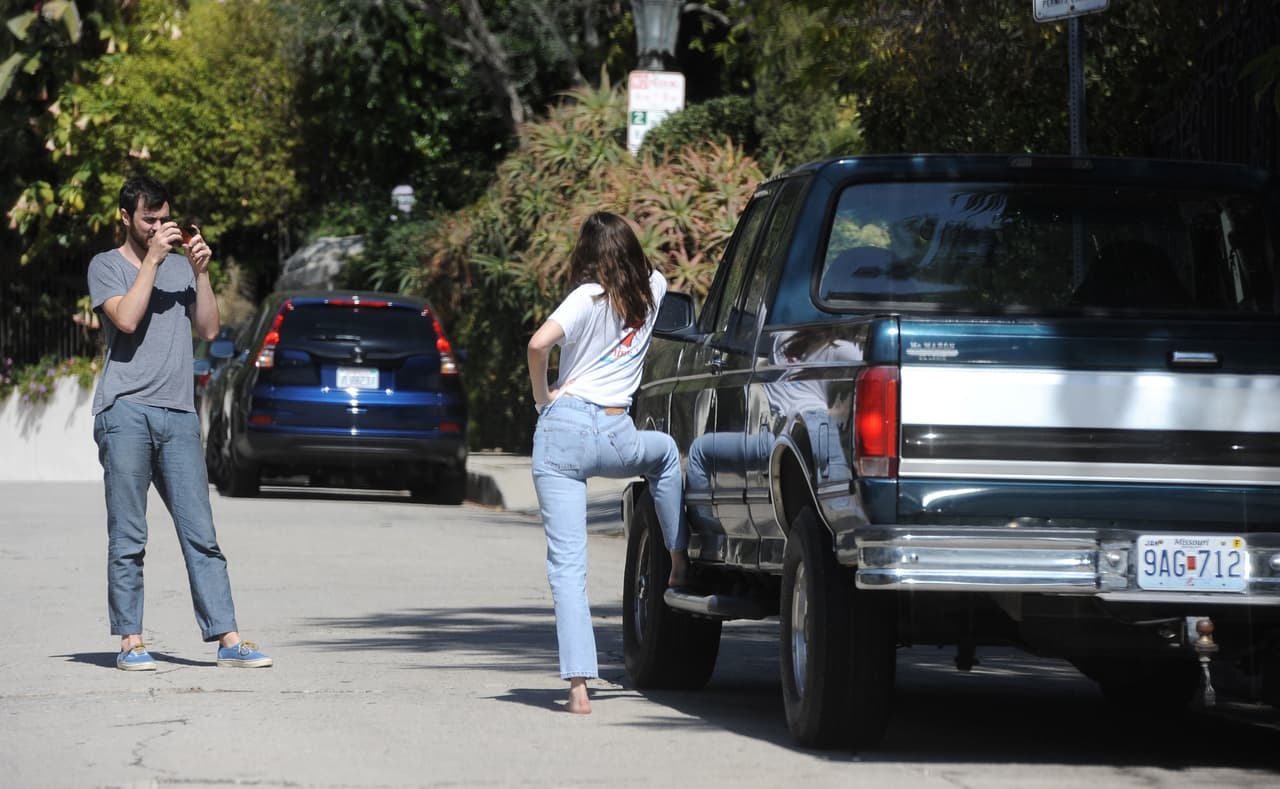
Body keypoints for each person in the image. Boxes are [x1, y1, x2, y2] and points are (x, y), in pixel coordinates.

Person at [88, 175, 271, 671]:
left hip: (178, 413)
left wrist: (201, 274)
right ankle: (130, 641)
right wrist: (151, 260)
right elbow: (126, 319)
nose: (158, 228)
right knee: (129, 535)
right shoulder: (105, 266)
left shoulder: (179, 268)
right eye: (148, 219)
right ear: (125, 218)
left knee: (201, 532)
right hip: (124, 410)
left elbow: (209, 330)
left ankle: (228, 639)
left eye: (163, 218)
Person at [527, 212, 687, 714]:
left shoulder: (584, 298)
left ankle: (578, 688)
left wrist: (543, 396)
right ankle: (679, 561)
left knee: (567, 567)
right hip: (618, 434)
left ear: (590, 256)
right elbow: (654, 278)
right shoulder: (655, 289)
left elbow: (537, 344)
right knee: (664, 457)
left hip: (562, 432)